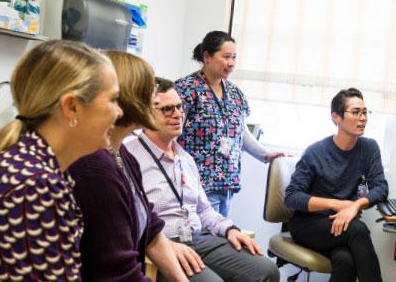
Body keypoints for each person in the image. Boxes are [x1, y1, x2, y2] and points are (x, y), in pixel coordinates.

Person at [0, 40, 119, 279]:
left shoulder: (35, 168)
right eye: (113, 100)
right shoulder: (33, 186)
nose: (119, 112)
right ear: (71, 107)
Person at [125, 77, 280, 282]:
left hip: (198, 239)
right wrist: (163, 245)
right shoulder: (129, 156)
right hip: (161, 245)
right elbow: (128, 221)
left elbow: (204, 210)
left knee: (267, 271)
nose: (178, 115)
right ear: (144, 113)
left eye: (180, 107)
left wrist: (230, 229)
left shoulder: (185, 158)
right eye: (167, 109)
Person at [69, 52, 187, 282]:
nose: (156, 99)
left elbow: (152, 230)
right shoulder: (94, 168)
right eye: (150, 91)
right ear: (128, 97)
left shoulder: (123, 154)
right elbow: (118, 274)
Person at [284, 88, 388, 282]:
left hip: (342, 224)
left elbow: (381, 188)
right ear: (336, 117)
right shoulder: (315, 152)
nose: (363, 118)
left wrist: (355, 205)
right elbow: (292, 197)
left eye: (365, 112)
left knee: (345, 261)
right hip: (309, 225)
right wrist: (336, 204)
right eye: (356, 112)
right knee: (358, 229)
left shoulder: (369, 148)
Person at [176, 31, 284, 217]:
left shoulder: (235, 93)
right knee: (204, 242)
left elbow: (240, 132)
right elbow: (172, 135)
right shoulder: (186, 89)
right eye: (226, 57)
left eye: (234, 57)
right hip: (197, 184)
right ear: (207, 57)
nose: (231, 63)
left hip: (227, 184)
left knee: (222, 239)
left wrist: (265, 155)